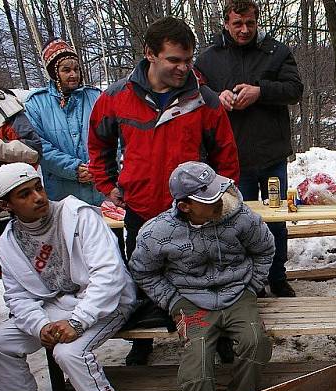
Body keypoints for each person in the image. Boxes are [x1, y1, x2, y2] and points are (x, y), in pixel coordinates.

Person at [88, 17, 240, 365]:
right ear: (150, 55)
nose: (184, 68)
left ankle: (219, 338)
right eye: (174, 60)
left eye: (188, 60)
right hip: (141, 207)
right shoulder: (116, 98)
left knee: (205, 272)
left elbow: (226, 154)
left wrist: (221, 197)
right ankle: (143, 341)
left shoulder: (204, 99)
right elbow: (98, 143)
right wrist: (108, 184)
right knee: (144, 274)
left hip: (194, 209)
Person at [0, 162, 134, 391]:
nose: (38, 197)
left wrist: (78, 321)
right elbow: (17, 296)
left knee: (69, 352)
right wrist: (40, 326)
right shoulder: (8, 242)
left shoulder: (77, 216)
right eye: (24, 194)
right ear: (5, 205)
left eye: (38, 188)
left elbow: (109, 275)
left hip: (105, 303)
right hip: (54, 307)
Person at [129, 161, 274, 391]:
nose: (220, 199)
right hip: (189, 299)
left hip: (238, 293)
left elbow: (264, 249)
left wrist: (252, 288)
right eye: (209, 198)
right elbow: (142, 270)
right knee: (197, 361)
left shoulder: (240, 216)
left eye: (218, 190)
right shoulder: (157, 232)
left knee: (257, 343)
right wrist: (173, 301)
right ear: (185, 206)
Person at [195, 0, 303, 298]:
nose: (244, 30)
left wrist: (261, 91)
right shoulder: (208, 58)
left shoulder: (276, 51)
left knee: (276, 220)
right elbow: (194, 93)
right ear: (226, 23)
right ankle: (246, 282)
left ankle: (277, 276)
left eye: (250, 24)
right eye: (237, 24)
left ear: (257, 22)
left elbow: (295, 89)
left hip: (271, 154)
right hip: (231, 158)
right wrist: (217, 97)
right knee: (236, 222)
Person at [24, 39, 103, 205]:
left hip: (99, 189)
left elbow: (112, 136)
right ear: (55, 72)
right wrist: (73, 169)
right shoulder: (36, 104)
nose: (73, 74)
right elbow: (38, 145)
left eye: (76, 69)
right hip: (62, 192)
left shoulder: (96, 97)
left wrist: (99, 166)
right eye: (66, 70)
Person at [0, 76, 42, 273]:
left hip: (11, 210)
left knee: (35, 268)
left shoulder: (5, 108)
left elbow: (33, 151)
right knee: (9, 276)